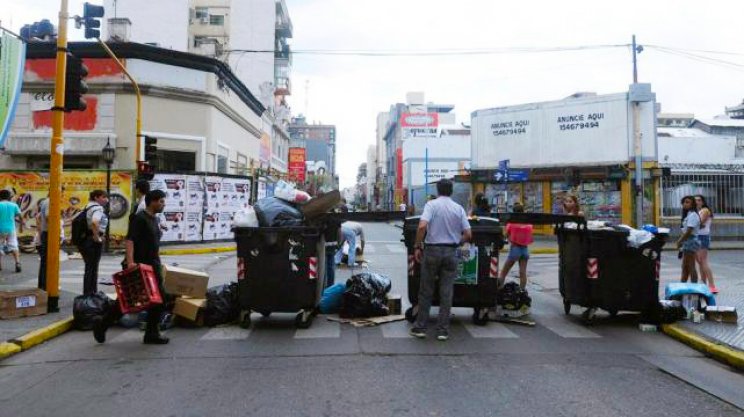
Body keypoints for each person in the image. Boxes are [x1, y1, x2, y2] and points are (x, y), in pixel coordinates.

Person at [96, 189, 169, 345]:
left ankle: (151, 334)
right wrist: (130, 263)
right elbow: (130, 240)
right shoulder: (139, 218)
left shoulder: (154, 219)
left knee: (160, 299)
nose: (164, 204)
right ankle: (102, 324)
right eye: (161, 201)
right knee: (129, 300)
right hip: (139, 265)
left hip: (153, 265)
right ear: (153, 201)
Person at [410, 179, 472, 341]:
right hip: (451, 251)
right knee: (446, 292)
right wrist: (457, 242)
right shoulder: (458, 208)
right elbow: (468, 234)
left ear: (438, 190)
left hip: (432, 251)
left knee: (426, 290)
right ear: (451, 191)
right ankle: (442, 330)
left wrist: (418, 246)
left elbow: (422, 226)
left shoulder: (431, 205)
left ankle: (421, 327)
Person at [80, 190, 109, 295]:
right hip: (93, 241)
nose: (106, 199)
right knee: (93, 268)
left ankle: (88, 293)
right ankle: (91, 293)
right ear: (96, 198)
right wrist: (97, 237)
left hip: (86, 240)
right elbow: (94, 222)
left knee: (89, 267)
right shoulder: (98, 208)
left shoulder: (88, 206)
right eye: (103, 197)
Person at [498, 203, 533, 289]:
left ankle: (499, 289)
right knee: (522, 273)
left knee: (504, 272)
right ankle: (522, 291)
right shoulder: (528, 225)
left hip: (515, 249)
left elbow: (505, 235)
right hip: (525, 250)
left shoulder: (512, 224)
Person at [694, 195, 717, 293]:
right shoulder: (697, 212)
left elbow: (700, 223)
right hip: (697, 236)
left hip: (703, 237)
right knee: (699, 261)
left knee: (703, 261)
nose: (697, 202)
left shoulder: (705, 210)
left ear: (703, 202)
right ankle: (703, 284)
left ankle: (712, 285)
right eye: (695, 200)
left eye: (699, 200)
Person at [677, 196, 701, 283]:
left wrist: (680, 240)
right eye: (684, 202)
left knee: (690, 265)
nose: (685, 204)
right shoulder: (689, 214)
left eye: (688, 202)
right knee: (685, 266)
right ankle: (683, 284)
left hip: (690, 240)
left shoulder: (693, 215)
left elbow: (689, 231)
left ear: (692, 204)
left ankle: (694, 286)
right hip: (688, 240)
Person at [0, 190, 22, 273]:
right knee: (14, 245)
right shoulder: (14, 205)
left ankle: (0, 265)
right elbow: (20, 216)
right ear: (9, 197)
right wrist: (21, 227)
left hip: (0, 229)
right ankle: (17, 263)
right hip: (11, 229)